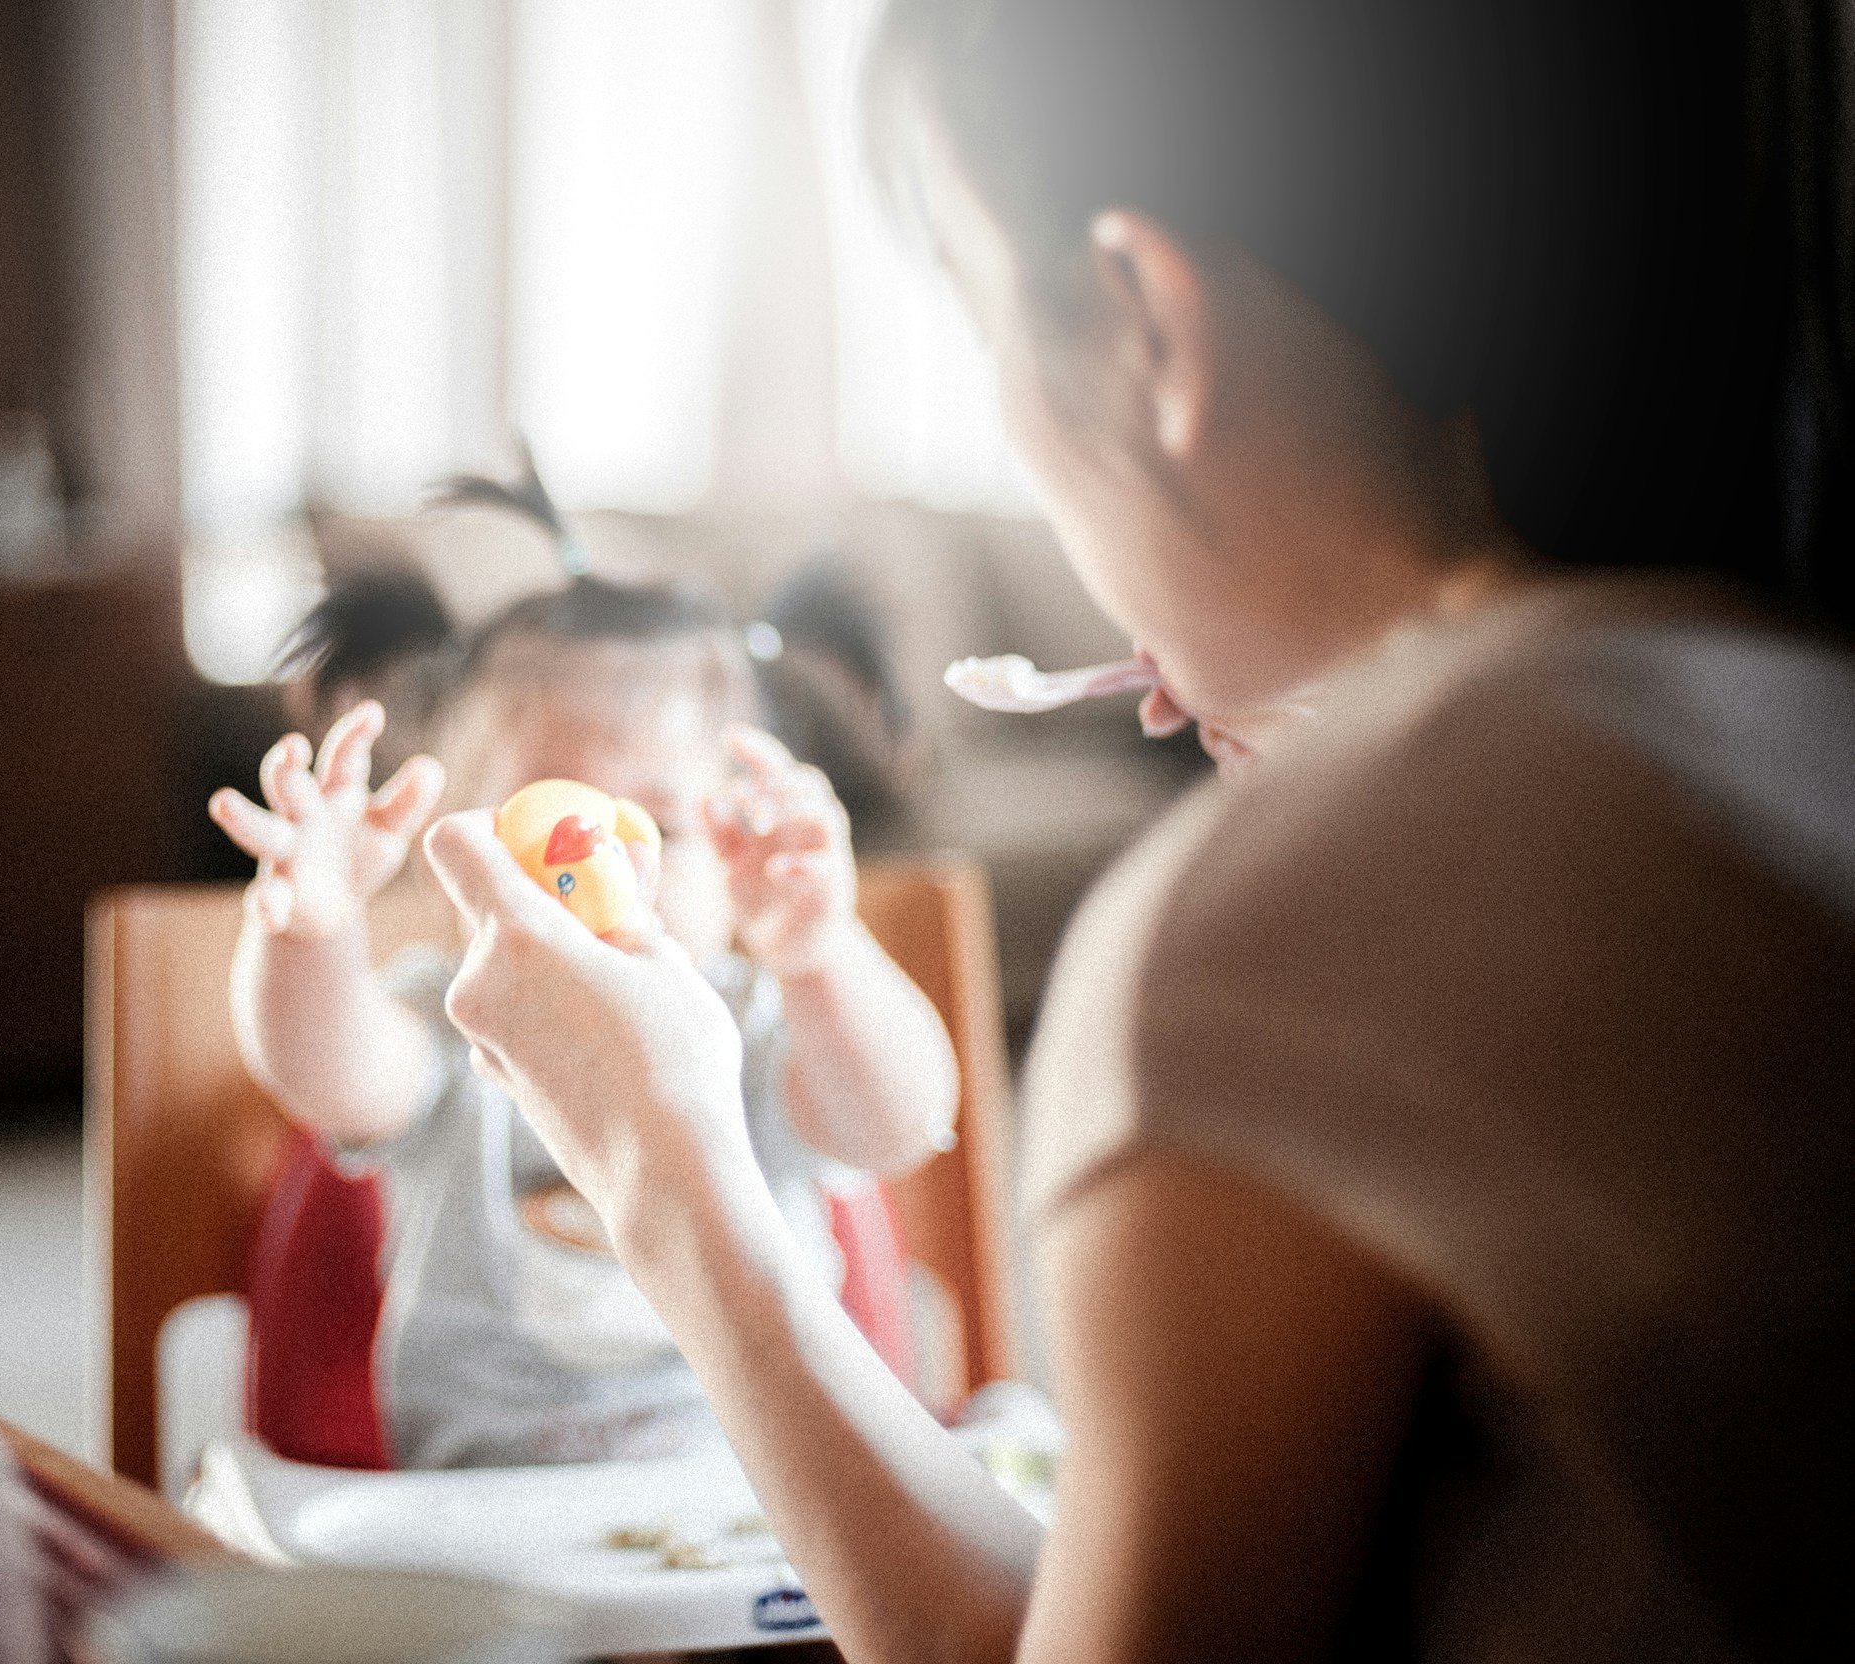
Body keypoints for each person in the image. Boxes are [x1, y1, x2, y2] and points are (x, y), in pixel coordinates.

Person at [412, 0, 1855, 1658]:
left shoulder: (1255, 944)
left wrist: (661, 1162)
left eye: (974, 312)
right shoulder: (1800, 701)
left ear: (1147, 320)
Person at [206, 553, 958, 1468]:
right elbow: (323, 1072)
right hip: (490, 1518)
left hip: (769, 1508)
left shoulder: (755, 1030)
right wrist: (311, 931)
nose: (600, 876)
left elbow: (901, 1122)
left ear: (736, 858)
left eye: (660, 829)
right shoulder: (457, 1021)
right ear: (452, 859)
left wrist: (819, 951)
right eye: (546, 827)